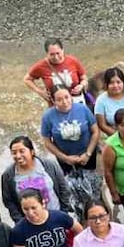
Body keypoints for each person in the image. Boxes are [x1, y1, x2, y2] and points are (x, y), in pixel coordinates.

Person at [40, 86, 103, 215]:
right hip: (65, 159)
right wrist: (64, 157)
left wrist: (88, 153)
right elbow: (47, 141)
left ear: (71, 96)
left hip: (88, 155)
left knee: (94, 186)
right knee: (73, 189)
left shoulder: (82, 109)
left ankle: (98, 211)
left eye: (67, 97)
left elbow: (95, 131)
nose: (64, 102)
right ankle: (80, 213)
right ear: (53, 100)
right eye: (59, 99)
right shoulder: (48, 116)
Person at [1, 136, 70, 223]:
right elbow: (9, 202)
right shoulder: (8, 176)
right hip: (30, 223)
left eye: (22, 151)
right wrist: (21, 222)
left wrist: (63, 214)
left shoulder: (49, 166)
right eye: (14, 153)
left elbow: (64, 190)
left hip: (56, 217)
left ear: (32, 152)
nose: (18, 156)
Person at [24, 37, 87, 106]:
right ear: (47, 53)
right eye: (52, 54)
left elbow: (84, 78)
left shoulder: (73, 61)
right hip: (56, 106)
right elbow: (27, 79)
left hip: (77, 103)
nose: (56, 57)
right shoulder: (41, 66)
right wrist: (40, 92)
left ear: (62, 50)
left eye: (58, 53)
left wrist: (81, 85)